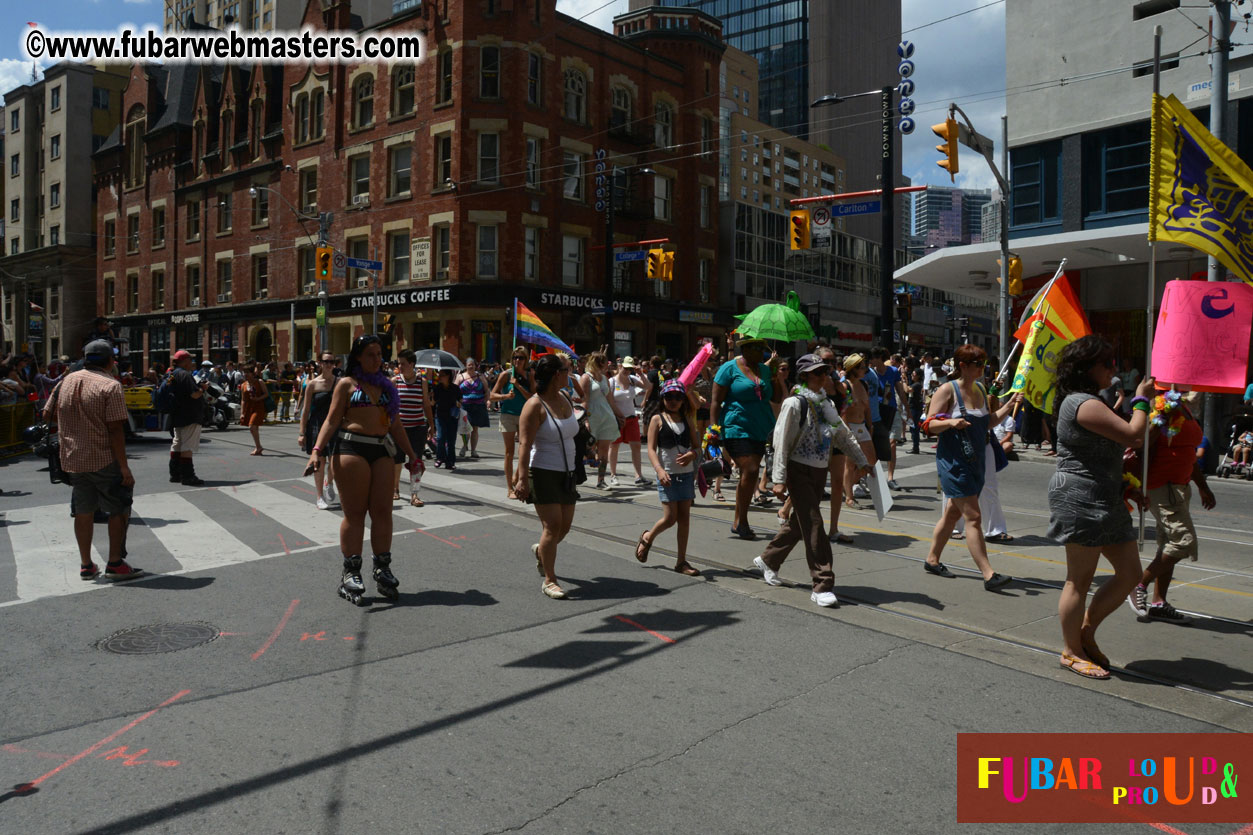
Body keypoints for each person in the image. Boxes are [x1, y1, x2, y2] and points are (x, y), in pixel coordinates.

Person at [1046, 335, 1156, 679]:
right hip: (1079, 497)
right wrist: (1142, 399)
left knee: (1130, 575)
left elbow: (1104, 453)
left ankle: (1086, 632)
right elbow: (1133, 435)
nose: (1113, 368)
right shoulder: (1081, 402)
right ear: (1087, 367)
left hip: (1105, 496)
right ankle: (1070, 651)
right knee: (1078, 580)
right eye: (1107, 363)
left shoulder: (1091, 401)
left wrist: (1127, 486)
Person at [306, 335, 420, 606]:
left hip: (382, 450)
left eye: (379, 354)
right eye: (370, 354)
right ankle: (351, 572)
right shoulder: (346, 384)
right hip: (351, 450)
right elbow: (332, 420)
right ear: (357, 356)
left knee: (383, 512)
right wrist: (316, 451)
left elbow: (396, 426)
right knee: (355, 514)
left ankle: (382, 567)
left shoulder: (388, 387)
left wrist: (414, 456)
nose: (377, 359)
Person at [753, 354, 870, 607]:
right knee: (815, 523)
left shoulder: (825, 403)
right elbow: (781, 442)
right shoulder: (794, 404)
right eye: (817, 373)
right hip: (798, 470)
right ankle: (822, 583)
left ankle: (769, 559)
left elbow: (842, 434)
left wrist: (861, 460)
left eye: (825, 372)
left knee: (800, 522)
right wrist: (779, 479)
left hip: (818, 470)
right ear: (805, 375)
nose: (823, 377)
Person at [920, 344, 1019, 590]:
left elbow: (988, 423)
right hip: (954, 462)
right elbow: (927, 426)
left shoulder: (981, 389)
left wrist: (1009, 405)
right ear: (963, 366)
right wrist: (951, 422)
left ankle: (932, 560)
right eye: (978, 365)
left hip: (976, 461)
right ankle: (989, 574)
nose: (983, 369)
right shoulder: (947, 390)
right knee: (973, 517)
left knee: (953, 513)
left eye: (984, 364)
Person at [44, 340, 141, 580]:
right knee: (119, 507)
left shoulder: (65, 382)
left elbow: (47, 413)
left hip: (72, 458)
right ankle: (115, 562)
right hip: (102, 457)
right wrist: (124, 467)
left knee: (83, 511)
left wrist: (72, 423)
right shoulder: (110, 385)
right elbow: (116, 429)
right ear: (110, 361)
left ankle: (86, 565)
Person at [1127, 391, 1215, 625]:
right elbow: (1142, 441)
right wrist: (1163, 414)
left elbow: (1188, 453)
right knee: (1183, 542)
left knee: (1167, 545)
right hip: (1162, 486)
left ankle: (1158, 604)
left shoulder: (1186, 411)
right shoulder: (1162, 404)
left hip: (1179, 487)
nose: (1202, 390)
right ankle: (1139, 584)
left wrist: (1203, 486)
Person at [514, 354, 580, 600]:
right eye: (566, 370)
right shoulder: (534, 405)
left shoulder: (564, 398)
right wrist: (521, 479)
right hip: (542, 472)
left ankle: (541, 549)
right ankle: (550, 580)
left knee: (564, 527)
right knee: (552, 527)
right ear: (556, 375)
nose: (569, 373)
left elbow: (570, 431)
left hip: (568, 472)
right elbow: (524, 444)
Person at [710, 337, 783, 540]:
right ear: (747, 349)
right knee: (750, 470)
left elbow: (777, 398)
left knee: (749, 473)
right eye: (759, 349)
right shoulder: (729, 368)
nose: (762, 353)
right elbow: (715, 401)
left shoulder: (766, 370)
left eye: (763, 349)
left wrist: (776, 376)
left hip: (761, 428)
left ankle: (739, 520)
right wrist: (713, 429)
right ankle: (741, 520)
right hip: (735, 425)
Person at [636, 379, 701, 575]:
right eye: (669, 396)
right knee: (670, 518)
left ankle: (681, 562)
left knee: (684, 519)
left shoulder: (688, 419)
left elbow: (698, 447)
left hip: (686, 475)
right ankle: (648, 536)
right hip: (667, 476)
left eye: (678, 397)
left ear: (683, 400)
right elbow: (650, 449)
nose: (674, 401)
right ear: (663, 398)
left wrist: (692, 454)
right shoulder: (657, 419)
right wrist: (659, 470)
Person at [581, 352, 630, 489]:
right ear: (597, 363)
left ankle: (601, 480)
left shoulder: (604, 379)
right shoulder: (586, 378)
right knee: (585, 449)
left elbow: (610, 401)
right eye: (604, 364)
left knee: (604, 449)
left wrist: (620, 415)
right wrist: (585, 420)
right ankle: (576, 476)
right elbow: (584, 401)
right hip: (592, 416)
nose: (607, 367)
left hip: (606, 417)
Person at [299, 352, 340, 509]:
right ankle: (319, 496)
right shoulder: (313, 384)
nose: (329, 364)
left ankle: (329, 482)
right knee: (320, 461)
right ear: (320, 363)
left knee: (335, 461)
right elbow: (306, 409)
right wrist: (302, 433)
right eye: (326, 361)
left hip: (335, 425)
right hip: (317, 424)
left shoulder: (339, 382)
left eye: (332, 361)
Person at [392, 349, 433, 506]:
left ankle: (414, 494)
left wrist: (431, 424)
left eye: (403, 364)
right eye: (398, 363)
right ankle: (395, 489)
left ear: (412, 364)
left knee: (416, 461)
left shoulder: (421, 382)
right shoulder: (395, 381)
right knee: (397, 461)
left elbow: (426, 404)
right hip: (399, 428)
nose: (400, 366)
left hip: (418, 427)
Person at [491, 347, 533, 499]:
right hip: (508, 415)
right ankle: (509, 488)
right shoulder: (505, 375)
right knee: (509, 452)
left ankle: (517, 477)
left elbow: (532, 397)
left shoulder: (530, 375)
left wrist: (518, 386)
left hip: (525, 415)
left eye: (521, 357)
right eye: (515, 357)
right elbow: (492, 395)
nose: (517, 360)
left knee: (525, 449)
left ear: (526, 359)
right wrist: (505, 397)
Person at [840, 354, 877, 506]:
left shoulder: (864, 385)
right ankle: (849, 496)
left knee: (871, 461)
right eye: (862, 367)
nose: (865, 370)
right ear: (853, 369)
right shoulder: (845, 386)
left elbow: (867, 408)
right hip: (850, 427)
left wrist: (870, 425)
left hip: (862, 427)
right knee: (850, 463)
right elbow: (843, 412)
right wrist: (847, 431)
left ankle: (846, 485)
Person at [168, 349, 208, 486]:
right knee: (187, 446)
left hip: (177, 414)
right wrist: (203, 389)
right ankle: (188, 476)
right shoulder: (185, 375)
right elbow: (194, 394)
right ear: (184, 361)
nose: (191, 362)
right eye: (190, 360)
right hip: (189, 415)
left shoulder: (172, 374)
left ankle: (175, 473)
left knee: (177, 443)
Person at [608, 357, 650, 487]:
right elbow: (609, 401)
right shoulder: (611, 382)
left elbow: (648, 386)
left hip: (631, 418)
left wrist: (641, 373)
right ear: (620, 366)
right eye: (625, 368)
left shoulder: (633, 379)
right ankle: (613, 475)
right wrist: (618, 415)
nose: (627, 371)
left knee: (636, 445)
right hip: (617, 419)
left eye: (630, 368)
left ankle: (638, 475)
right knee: (614, 446)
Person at [456, 358, 490, 459]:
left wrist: (487, 400)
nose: (471, 366)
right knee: (466, 428)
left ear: (475, 365)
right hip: (465, 406)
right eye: (469, 365)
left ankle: (473, 450)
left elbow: (486, 390)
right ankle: (465, 446)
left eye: (473, 365)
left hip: (478, 406)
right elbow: (454, 390)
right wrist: (456, 401)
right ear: (465, 366)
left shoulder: (480, 376)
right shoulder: (460, 376)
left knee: (474, 429)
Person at [431, 368, 463, 472]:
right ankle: (440, 458)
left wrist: (458, 403)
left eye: (442, 375)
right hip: (440, 416)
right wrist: (429, 396)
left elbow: (461, 400)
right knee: (440, 437)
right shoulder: (437, 388)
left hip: (452, 417)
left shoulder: (455, 388)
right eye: (439, 375)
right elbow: (432, 403)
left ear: (448, 376)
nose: (439, 377)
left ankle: (450, 462)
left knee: (451, 440)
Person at [239, 364, 268, 456]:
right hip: (249, 408)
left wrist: (258, 399)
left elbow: (266, 394)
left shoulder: (259, 382)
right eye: (244, 373)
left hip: (258, 407)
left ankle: (258, 447)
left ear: (252, 373)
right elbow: (243, 400)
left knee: (252, 426)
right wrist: (242, 413)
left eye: (247, 373)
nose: (245, 375)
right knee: (254, 428)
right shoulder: (243, 385)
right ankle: (258, 447)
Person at [907, 368, 925, 455]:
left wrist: (903, 381)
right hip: (913, 407)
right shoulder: (915, 384)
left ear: (918, 376)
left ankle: (915, 447)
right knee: (912, 427)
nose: (912, 376)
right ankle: (915, 446)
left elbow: (907, 390)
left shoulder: (917, 385)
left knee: (914, 428)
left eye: (913, 374)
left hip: (915, 408)